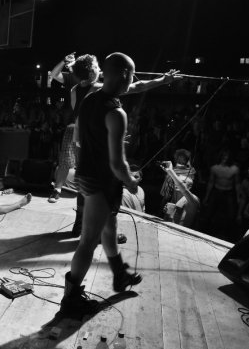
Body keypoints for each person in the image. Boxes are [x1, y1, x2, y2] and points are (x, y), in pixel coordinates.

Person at [48, 52, 181, 236]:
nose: (100, 69)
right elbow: (137, 86)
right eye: (97, 67)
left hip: (81, 140)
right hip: (94, 143)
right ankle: (105, 231)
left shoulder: (74, 90)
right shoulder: (97, 89)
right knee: (105, 185)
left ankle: (79, 225)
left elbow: (84, 116)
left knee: (85, 182)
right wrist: (162, 80)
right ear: (91, 73)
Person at [59, 52, 142, 318]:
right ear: (125, 75)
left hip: (88, 176)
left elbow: (82, 140)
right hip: (100, 182)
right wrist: (131, 182)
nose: (133, 80)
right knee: (88, 241)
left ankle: (119, 274)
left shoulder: (90, 100)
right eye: (132, 75)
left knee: (109, 227)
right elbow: (118, 163)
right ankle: (70, 300)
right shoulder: (116, 113)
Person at [203, 149, 241, 239]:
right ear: (220, 157)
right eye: (224, 156)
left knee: (230, 215)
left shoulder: (234, 169)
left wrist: (238, 197)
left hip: (228, 193)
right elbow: (211, 182)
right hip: (217, 191)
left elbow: (237, 184)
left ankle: (228, 236)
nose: (225, 158)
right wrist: (206, 197)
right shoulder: (215, 168)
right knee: (209, 213)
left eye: (227, 157)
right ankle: (205, 231)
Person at [160, 161, 200, 228]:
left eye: (183, 182)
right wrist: (167, 213)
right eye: (176, 182)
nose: (177, 183)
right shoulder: (175, 198)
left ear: (189, 187)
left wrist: (171, 171)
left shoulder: (193, 200)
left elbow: (184, 189)